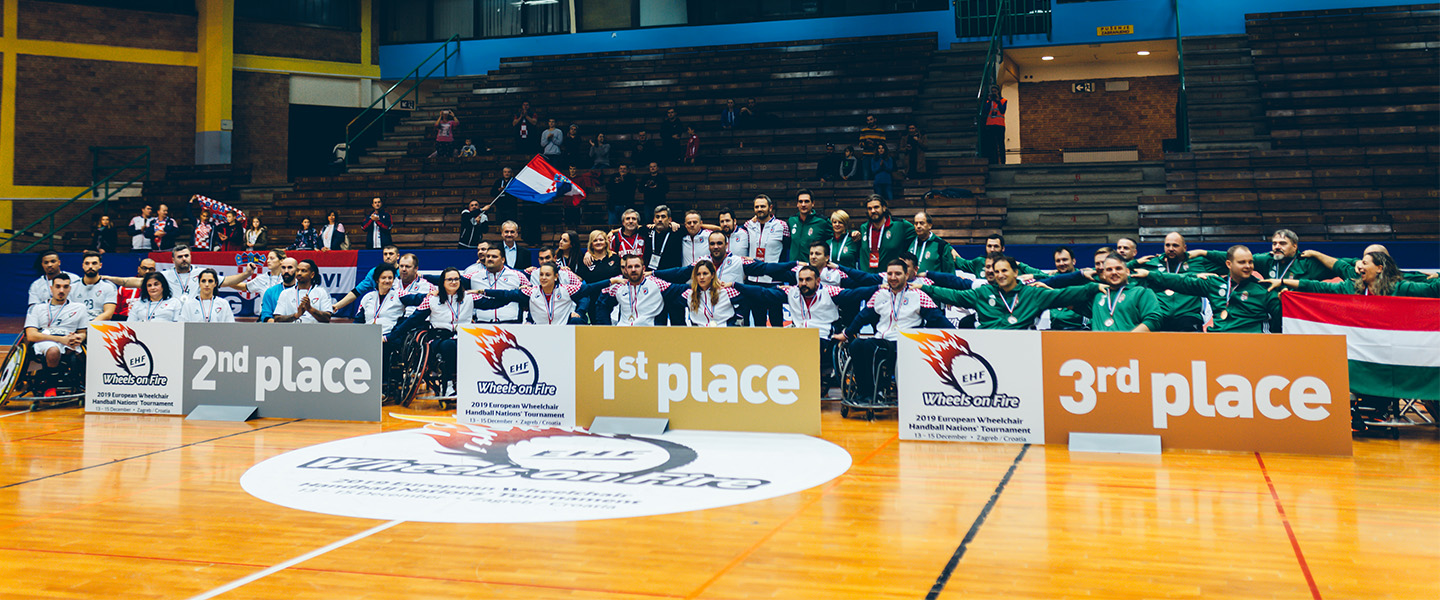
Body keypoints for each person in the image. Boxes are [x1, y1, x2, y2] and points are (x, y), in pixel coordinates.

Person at [833, 260, 950, 404]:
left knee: (871, 346)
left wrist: (958, 335)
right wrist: (846, 334)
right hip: (882, 339)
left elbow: (938, 319)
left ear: (906, 275)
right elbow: (862, 317)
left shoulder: (918, 295)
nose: (893, 277)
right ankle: (864, 393)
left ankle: (878, 390)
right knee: (856, 345)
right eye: (890, 274)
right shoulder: (879, 294)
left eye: (898, 274)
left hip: (905, 343)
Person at [920, 256, 1103, 330]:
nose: (1000, 275)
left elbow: (1064, 294)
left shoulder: (1032, 294)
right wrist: (924, 288)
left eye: (1004, 271)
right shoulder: (983, 293)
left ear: (1016, 272)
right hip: (987, 350)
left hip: (1020, 352)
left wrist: (1094, 287)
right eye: (996, 271)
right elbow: (954, 295)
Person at [1133, 245, 1278, 333]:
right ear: (1228, 264)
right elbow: (1181, 281)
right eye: (1242, 262)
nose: (1248, 266)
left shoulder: (1264, 290)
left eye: (1250, 262)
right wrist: (1149, 274)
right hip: (1217, 341)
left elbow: (1281, 319)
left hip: (1251, 343)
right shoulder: (1213, 284)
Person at [391, 268, 477, 397]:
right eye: (450, 279)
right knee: (449, 346)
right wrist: (391, 336)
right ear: (442, 282)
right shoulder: (431, 299)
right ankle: (448, 386)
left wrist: (515, 293)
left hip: (464, 336)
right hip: (439, 338)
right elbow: (412, 320)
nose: (453, 282)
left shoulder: (469, 297)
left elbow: (493, 303)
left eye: (456, 279)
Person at [1127, 232, 1215, 332]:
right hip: (1161, 315)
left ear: (1185, 248)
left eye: (1175, 245)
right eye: (1167, 245)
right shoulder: (1152, 264)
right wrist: (1135, 262)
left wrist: (1202, 252)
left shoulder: (1198, 262)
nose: (1171, 248)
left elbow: (1231, 260)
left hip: (1188, 315)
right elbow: (1118, 274)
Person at [1264, 251, 1438, 297]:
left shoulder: (1401, 287)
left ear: (1379, 268)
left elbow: (1432, 290)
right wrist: (1283, 282)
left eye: (1364, 263)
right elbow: (1319, 287)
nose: (1359, 266)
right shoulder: (1352, 286)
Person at [478, 263, 606, 325]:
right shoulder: (531, 291)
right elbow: (507, 294)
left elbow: (590, 288)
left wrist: (611, 281)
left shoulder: (566, 289)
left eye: (548, 275)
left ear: (556, 276)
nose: (543, 278)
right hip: (540, 335)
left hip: (563, 334)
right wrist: (483, 291)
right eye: (541, 275)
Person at [24, 274, 89, 392]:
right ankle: (51, 386)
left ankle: (79, 383)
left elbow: (82, 332)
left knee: (80, 352)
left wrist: (79, 337)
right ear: (51, 288)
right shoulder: (37, 308)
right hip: (45, 341)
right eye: (58, 286)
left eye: (65, 287)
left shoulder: (80, 308)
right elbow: (31, 335)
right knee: (54, 350)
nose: (61, 290)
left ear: (70, 289)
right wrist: (60, 339)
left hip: (69, 342)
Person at [743, 195, 790, 326]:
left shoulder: (782, 226)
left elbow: (787, 250)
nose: (759, 209)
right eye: (757, 207)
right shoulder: (749, 225)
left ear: (770, 207)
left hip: (774, 280)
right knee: (758, 321)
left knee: (776, 320)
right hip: (754, 280)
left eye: (762, 206)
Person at [1088, 255, 1164, 332]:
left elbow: (1153, 320)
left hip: (1131, 342)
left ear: (1127, 272)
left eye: (1118, 268)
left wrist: (1128, 339)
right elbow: (1074, 295)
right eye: (1109, 269)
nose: (1114, 272)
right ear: (1104, 274)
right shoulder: (1096, 295)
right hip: (1099, 343)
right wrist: (1081, 274)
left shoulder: (1141, 292)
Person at [597, 254, 676, 326]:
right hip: (623, 331)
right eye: (630, 267)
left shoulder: (656, 284)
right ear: (625, 270)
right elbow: (602, 305)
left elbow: (679, 290)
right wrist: (606, 327)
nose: (633, 270)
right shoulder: (618, 286)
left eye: (637, 266)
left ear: (643, 268)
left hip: (648, 331)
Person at [104, 244, 202, 300]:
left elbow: (217, 284)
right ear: (173, 260)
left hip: (194, 315)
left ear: (190, 256)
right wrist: (109, 278)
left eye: (186, 256)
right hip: (173, 316)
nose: (184, 259)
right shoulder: (165, 275)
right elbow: (134, 282)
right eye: (180, 257)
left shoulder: (203, 274)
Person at [466, 247, 527, 324]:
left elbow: (530, 294)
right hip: (482, 323)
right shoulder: (473, 276)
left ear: (503, 260)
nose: (490, 259)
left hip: (511, 322)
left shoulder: (517, 275)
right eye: (488, 256)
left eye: (494, 257)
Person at [857, 195, 915, 274]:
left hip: (890, 277)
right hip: (867, 277)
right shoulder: (864, 228)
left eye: (876, 207)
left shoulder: (900, 225)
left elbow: (921, 233)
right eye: (869, 208)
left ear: (884, 208)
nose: (873, 211)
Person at [1037, 246, 1087, 331]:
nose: (1061, 263)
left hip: (1079, 330)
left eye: (1065, 260)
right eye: (1058, 261)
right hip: (1054, 330)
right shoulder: (1052, 280)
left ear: (1073, 261)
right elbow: (1037, 274)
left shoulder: (1084, 279)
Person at [955, 234, 1045, 278]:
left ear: (1003, 249)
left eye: (996, 246)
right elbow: (956, 260)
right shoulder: (978, 262)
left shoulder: (1010, 264)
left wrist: (1020, 265)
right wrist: (948, 247)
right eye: (989, 246)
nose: (992, 249)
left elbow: (1041, 274)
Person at [273, 259, 333, 323]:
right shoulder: (285, 293)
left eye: (303, 271)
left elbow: (327, 318)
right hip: (291, 331)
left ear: (312, 275)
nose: (299, 273)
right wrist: (296, 315)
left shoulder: (321, 292)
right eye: (297, 270)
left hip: (315, 331)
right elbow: (277, 319)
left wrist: (310, 309)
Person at [70, 251, 118, 322]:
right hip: (77, 325)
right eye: (87, 263)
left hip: (100, 326)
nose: (90, 266)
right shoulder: (72, 287)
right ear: (83, 265)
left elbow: (108, 314)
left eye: (94, 263)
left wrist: (91, 325)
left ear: (100, 265)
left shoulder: (109, 286)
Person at [787, 189, 829, 262]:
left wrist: (852, 234)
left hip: (812, 268)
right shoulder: (791, 220)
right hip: (794, 267)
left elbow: (838, 234)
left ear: (812, 203)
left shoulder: (822, 221)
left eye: (806, 201)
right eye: (800, 202)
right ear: (797, 204)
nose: (803, 204)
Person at [259, 257, 299, 322]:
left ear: (297, 270)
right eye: (283, 268)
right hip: (277, 328)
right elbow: (266, 316)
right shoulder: (270, 292)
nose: (286, 271)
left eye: (290, 267)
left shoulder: (303, 290)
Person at [646, 205, 683, 271]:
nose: (660, 219)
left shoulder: (676, 230)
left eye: (663, 217)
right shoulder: (648, 230)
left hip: (671, 274)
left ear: (669, 219)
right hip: (651, 274)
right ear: (654, 220)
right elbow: (633, 227)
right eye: (657, 217)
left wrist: (700, 224)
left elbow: (695, 227)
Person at [982, 85, 1006, 165]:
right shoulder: (989, 101)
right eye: (992, 91)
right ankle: (993, 161)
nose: (994, 93)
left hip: (1000, 125)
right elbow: (986, 110)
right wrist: (989, 100)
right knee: (992, 144)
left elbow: (1002, 110)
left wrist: (998, 101)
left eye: (995, 91)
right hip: (991, 125)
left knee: (1001, 144)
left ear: (998, 92)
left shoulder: (1003, 100)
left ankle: (1003, 162)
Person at [858, 114, 885, 179]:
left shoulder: (881, 131)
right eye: (868, 120)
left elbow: (883, 144)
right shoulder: (863, 131)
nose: (869, 121)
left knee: (876, 174)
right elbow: (860, 144)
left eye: (871, 119)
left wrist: (873, 143)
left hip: (877, 156)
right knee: (866, 175)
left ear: (875, 119)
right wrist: (867, 144)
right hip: (866, 156)